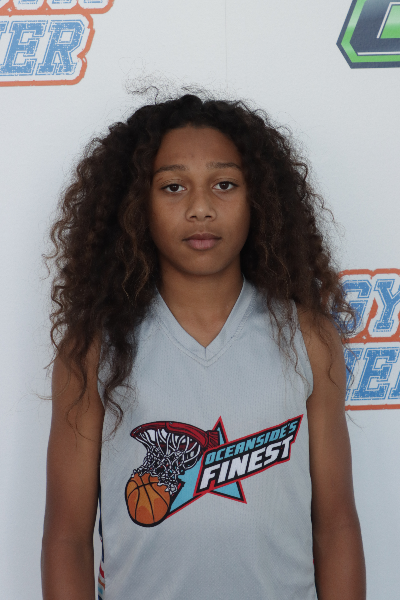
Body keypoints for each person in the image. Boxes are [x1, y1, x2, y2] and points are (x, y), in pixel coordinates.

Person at [41, 92, 366, 600]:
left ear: (258, 198)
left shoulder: (308, 337)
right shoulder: (94, 348)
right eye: (173, 187)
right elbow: (67, 538)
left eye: (224, 185)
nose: (200, 208)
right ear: (136, 204)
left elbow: (336, 525)